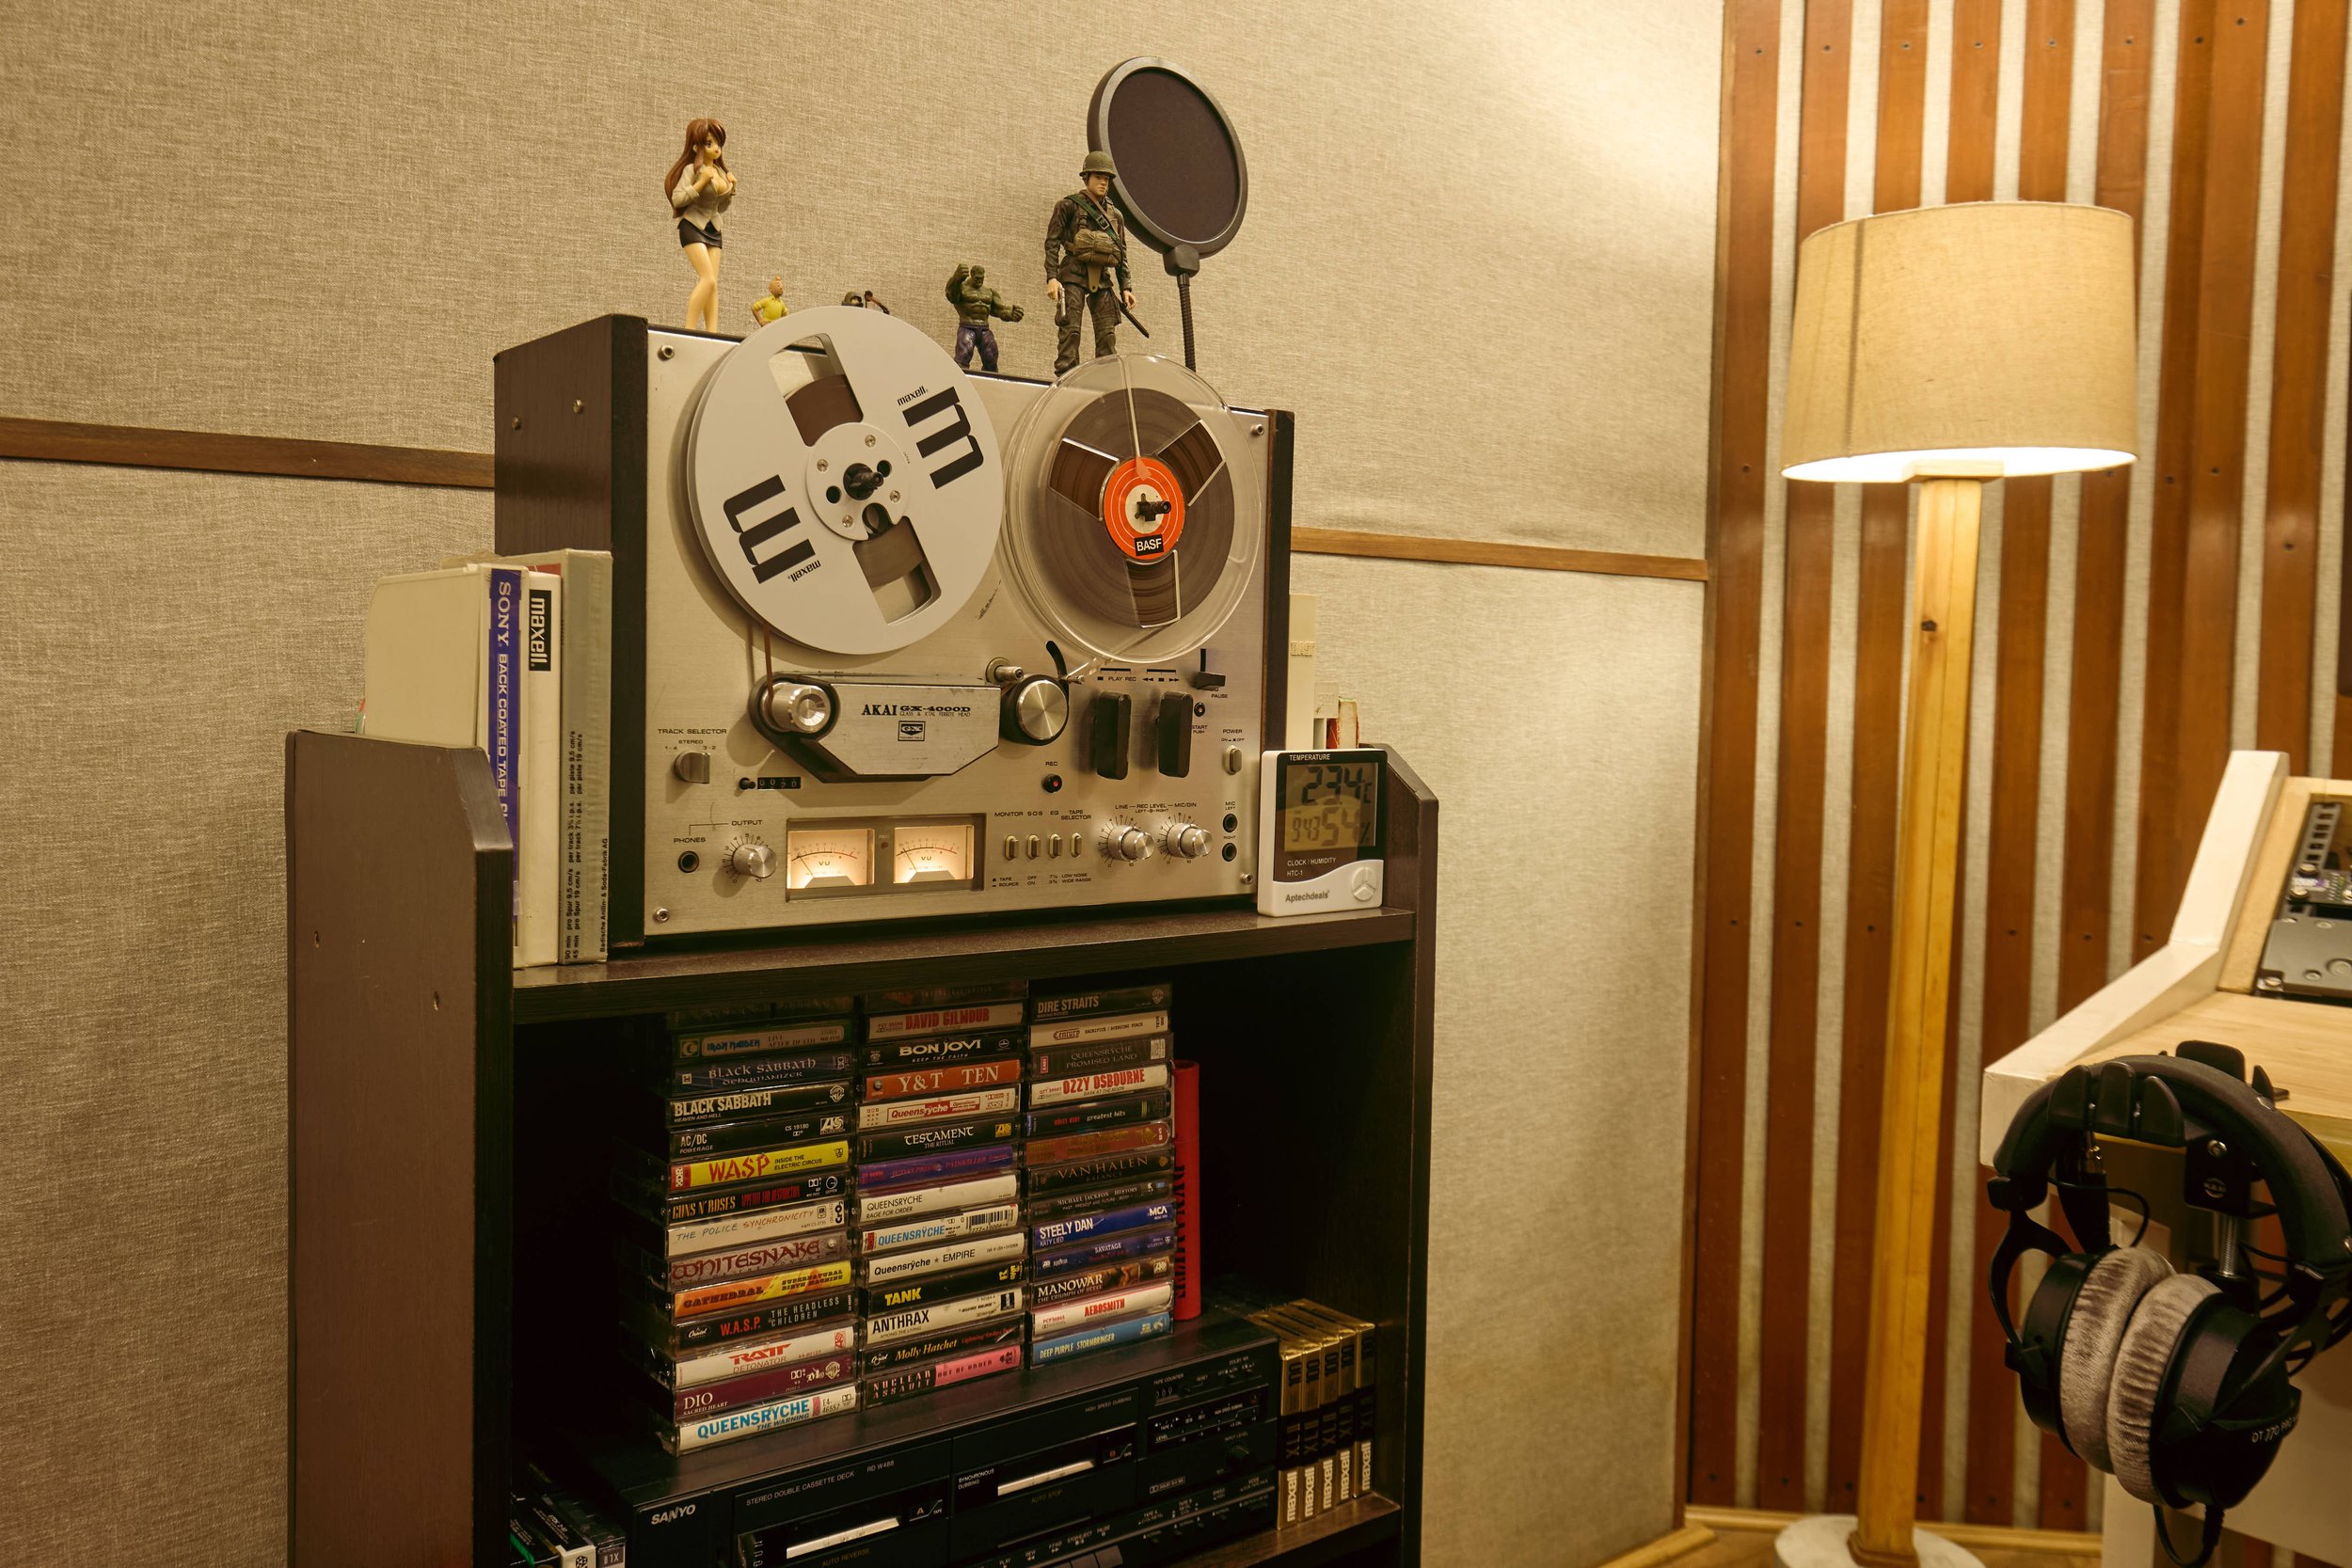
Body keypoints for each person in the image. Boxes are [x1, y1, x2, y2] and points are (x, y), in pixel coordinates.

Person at [1044, 150, 1134, 374]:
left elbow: (1121, 252)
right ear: (1087, 178)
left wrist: (1126, 287)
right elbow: (1052, 243)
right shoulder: (1068, 206)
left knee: (1107, 334)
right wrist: (1052, 278)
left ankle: (1104, 382)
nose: (1103, 182)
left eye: (1107, 178)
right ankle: (1066, 378)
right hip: (1073, 274)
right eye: (1098, 177)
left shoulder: (1115, 216)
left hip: (1102, 279)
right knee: (1070, 331)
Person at [665, 119, 735, 332]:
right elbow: (677, 200)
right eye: (709, 143)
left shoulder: (722, 173)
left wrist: (731, 189)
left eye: (718, 143)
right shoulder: (692, 170)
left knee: (714, 286)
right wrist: (700, 182)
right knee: (708, 280)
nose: (716, 148)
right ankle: (690, 330)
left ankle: (712, 332)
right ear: (696, 147)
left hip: (714, 228)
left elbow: (720, 208)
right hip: (693, 226)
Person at [945, 263, 1025, 372]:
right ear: (971, 275)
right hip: (967, 327)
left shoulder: (989, 292)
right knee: (962, 359)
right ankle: (960, 385)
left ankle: (991, 387)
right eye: (977, 278)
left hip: (984, 329)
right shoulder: (961, 288)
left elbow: (999, 310)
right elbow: (951, 296)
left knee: (991, 359)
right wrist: (956, 279)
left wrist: (1012, 315)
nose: (979, 280)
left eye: (982, 278)